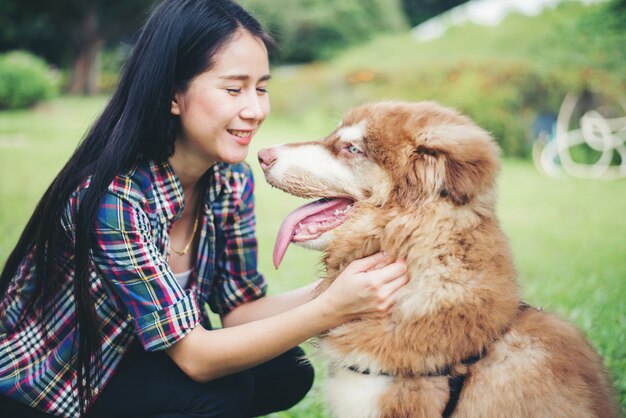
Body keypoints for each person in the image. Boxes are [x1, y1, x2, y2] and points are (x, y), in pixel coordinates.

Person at [0, 0, 408, 417]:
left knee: (285, 371)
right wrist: (334, 306)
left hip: (136, 353)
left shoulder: (230, 182)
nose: (256, 110)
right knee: (215, 394)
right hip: (52, 386)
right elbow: (197, 358)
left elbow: (239, 313)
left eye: (261, 87)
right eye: (234, 89)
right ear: (173, 96)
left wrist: (345, 284)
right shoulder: (115, 199)